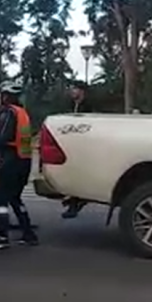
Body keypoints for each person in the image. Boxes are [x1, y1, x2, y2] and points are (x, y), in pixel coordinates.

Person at [0, 83, 38, 250]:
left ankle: (2, 236)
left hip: (11, 159)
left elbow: (4, 136)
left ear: (5, 96)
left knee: (0, 198)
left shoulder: (8, 112)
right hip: (25, 160)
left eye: (0, 95)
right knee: (14, 197)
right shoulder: (23, 113)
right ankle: (28, 233)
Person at [61, 80, 93, 219]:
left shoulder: (89, 106)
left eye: (74, 89)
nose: (71, 92)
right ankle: (73, 198)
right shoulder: (72, 105)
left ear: (81, 91)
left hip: (87, 143)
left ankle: (76, 200)